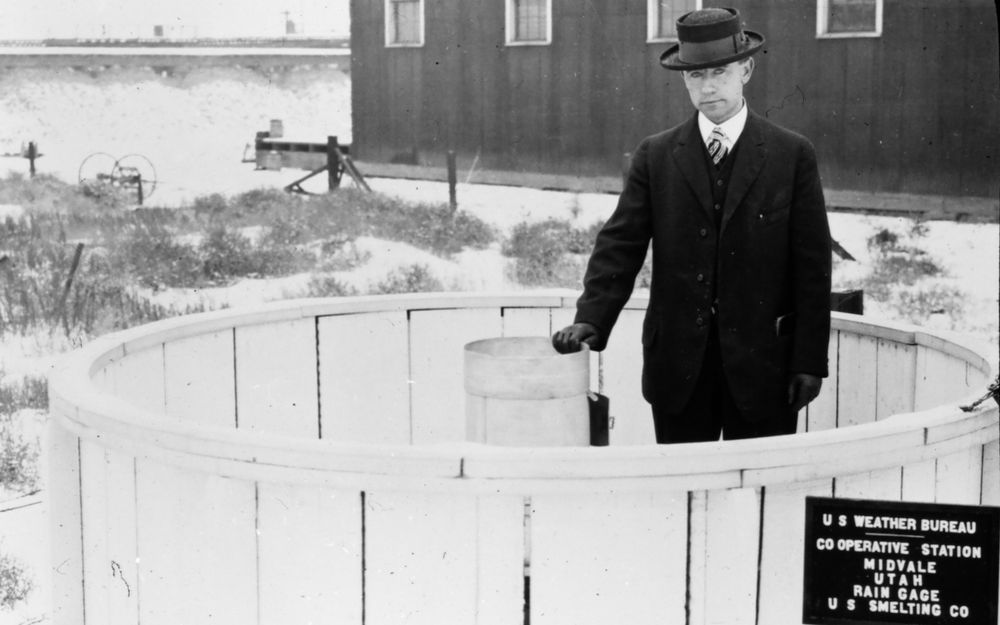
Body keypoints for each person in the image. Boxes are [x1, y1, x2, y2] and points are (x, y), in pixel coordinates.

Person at [552, 7, 832, 444]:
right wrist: (592, 318)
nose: (708, 86)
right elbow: (620, 245)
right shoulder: (656, 155)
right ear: (684, 79)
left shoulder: (791, 154)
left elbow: (812, 268)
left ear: (746, 70)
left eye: (720, 72)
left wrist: (809, 361)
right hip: (677, 370)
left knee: (757, 482)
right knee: (682, 483)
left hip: (765, 369)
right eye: (695, 75)